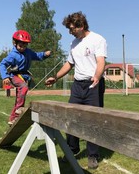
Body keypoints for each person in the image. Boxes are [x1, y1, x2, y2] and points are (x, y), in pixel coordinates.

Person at [45, 11, 107, 169]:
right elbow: (69, 64)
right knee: (70, 117)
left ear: (82, 26)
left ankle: (93, 155)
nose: (70, 32)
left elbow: (101, 62)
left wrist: (97, 76)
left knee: (93, 120)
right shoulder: (73, 43)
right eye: (69, 29)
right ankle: (72, 149)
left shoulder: (98, 39)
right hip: (78, 85)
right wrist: (56, 77)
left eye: (72, 28)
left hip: (94, 84)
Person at [0, 30, 51, 126]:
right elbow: (2, 64)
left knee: (21, 93)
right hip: (14, 75)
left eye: (25, 46)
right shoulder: (13, 55)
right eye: (20, 46)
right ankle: (19, 110)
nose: (22, 48)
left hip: (24, 76)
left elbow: (36, 56)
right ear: (15, 43)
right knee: (24, 88)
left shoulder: (28, 52)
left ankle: (13, 118)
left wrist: (44, 54)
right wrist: (5, 76)